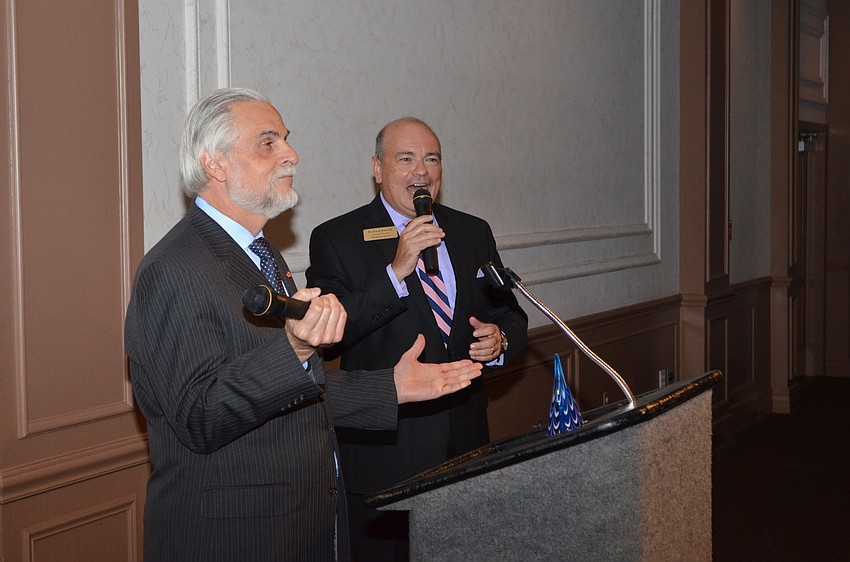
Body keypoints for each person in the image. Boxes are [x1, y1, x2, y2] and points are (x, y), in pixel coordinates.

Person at [123, 89, 482, 562]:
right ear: (215, 163)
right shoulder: (175, 269)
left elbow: (292, 390)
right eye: (268, 143)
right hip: (234, 538)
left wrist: (390, 388)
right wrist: (293, 349)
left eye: (286, 140)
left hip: (299, 526)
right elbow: (199, 416)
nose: (291, 154)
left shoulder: (263, 256)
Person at [306, 117, 528, 560]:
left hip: (467, 444)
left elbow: (510, 313)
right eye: (405, 159)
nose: (421, 171)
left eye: (431, 159)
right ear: (378, 168)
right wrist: (396, 271)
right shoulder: (336, 238)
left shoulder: (472, 231)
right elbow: (330, 339)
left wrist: (501, 340)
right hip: (388, 454)